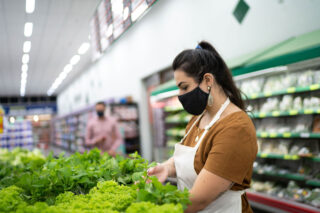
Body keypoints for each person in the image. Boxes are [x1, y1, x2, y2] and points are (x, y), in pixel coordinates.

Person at [148, 41, 257, 213]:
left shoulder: (236, 128)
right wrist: (166, 168)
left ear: (207, 80)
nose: (180, 96)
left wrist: (153, 207)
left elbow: (199, 200)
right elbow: (189, 162)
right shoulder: (197, 119)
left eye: (185, 87)